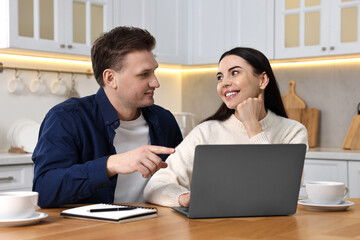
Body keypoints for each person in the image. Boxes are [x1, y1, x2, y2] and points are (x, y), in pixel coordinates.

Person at [32, 26, 183, 208]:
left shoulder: (164, 120)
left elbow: (181, 179)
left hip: (152, 227)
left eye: (154, 72)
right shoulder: (66, 118)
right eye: (144, 74)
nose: (155, 82)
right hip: (91, 232)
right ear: (110, 78)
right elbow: (45, 190)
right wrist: (110, 164)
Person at [144, 47, 308, 207]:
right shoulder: (206, 132)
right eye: (220, 77)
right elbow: (154, 187)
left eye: (235, 73)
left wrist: (252, 126)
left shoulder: (293, 131)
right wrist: (183, 198)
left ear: (262, 80)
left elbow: (280, 190)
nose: (225, 83)